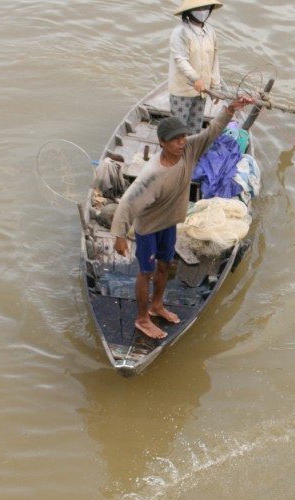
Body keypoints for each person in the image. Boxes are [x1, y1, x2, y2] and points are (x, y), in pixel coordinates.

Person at [110, 96, 253, 340]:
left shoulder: (188, 150)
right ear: (161, 143)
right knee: (146, 272)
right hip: (148, 229)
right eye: (174, 139)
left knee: (165, 265)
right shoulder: (153, 175)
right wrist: (119, 235)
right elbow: (127, 203)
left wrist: (229, 110)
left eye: (182, 137)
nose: (180, 142)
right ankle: (142, 319)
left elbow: (212, 132)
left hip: (170, 224)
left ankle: (157, 306)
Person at [169, 0, 223, 135]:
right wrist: (195, 78)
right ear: (189, 11)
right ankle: (176, 155)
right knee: (178, 130)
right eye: (199, 8)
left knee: (195, 128)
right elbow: (180, 59)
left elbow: (214, 60)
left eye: (205, 7)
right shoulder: (180, 32)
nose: (202, 11)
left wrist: (216, 86)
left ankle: (192, 154)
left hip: (202, 90)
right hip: (183, 89)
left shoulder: (210, 31)